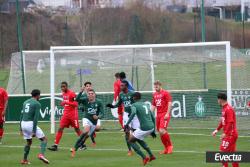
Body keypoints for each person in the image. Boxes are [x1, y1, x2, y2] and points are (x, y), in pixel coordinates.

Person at [106, 80, 140, 156]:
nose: (120, 87)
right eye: (120, 85)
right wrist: (112, 106)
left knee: (136, 132)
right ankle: (130, 150)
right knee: (127, 132)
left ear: (126, 86)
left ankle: (138, 145)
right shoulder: (121, 94)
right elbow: (119, 103)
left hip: (134, 115)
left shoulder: (132, 93)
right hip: (126, 115)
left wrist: (136, 112)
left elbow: (136, 104)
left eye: (122, 85)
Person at [48, 81, 82, 151]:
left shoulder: (72, 94)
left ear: (67, 86)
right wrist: (64, 103)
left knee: (77, 129)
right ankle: (55, 145)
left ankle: (82, 144)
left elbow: (76, 104)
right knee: (60, 128)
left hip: (73, 115)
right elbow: (67, 103)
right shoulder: (63, 94)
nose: (62, 88)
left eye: (64, 86)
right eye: (61, 87)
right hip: (66, 114)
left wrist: (66, 102)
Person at [125, 92, 156, 166]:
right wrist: (153, 130)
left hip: (144, 128)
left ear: (134, 98)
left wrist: (127, 124)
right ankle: (151, 155)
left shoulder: (134, 105)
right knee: (138, 138)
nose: (132, 98)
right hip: (151, 127)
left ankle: (144, 157)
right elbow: (153, 117)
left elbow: (133, 113)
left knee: (130, 140)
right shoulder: (145, 104)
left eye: (132, 97)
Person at [20, 89, 49, 164]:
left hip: (23, 123)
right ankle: (41, 155)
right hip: (30, 124)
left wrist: (20, 129)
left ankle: (24, 160)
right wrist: (33, 130)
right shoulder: (37, 104)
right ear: (38, 95)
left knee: (29, 142)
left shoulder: (25, 102)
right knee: (44, 139)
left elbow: (21, 115)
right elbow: (35, 118)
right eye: (39, 95)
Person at [71, 89, 104, 157]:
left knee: (86, 137)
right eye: (89, 94)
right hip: (87, 118)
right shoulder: (85, 100)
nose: (91, 95)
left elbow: (102, 114)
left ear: (94, 94)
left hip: (94, 122)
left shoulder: (99, 102)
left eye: (92, 93)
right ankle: (74, 147)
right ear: (87, 95)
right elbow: (76, 99)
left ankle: (76, 148)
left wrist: (98, 117)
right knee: (85, 130)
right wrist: (81, 91)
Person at [212, 92, 239, 167]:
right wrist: (216, 130)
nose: (217, 101)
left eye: (218, 99)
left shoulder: (228, 109)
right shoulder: (224, 108)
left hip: (230, 135)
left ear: (220, 99)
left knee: (222, 152)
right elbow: (223, 121)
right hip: (230, 134)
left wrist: (225, 133)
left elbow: (230, 122)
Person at [151, 80, 173, 154]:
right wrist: (150, 114)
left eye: (157, 85)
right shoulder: (154, 94)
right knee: (160, 132)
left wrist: (167, 113)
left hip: (164, 114)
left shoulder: (166, 93)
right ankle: (166, 149)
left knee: (162, 130)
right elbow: (153, 105)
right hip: (158, 115)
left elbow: (170, 103)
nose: (155, 87)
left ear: (160, 85)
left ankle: (170, 146)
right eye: (155, 86)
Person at [77, 81, 101, 147]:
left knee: (97, 128)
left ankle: (84, 141)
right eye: (87, 86)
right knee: (88, 130)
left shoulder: (93, 94)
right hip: (88, 116)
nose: (88, 87)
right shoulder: (83, 96)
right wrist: (81, 107)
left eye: (89, 86)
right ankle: (82, 143)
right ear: (84, 88)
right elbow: (77, 104)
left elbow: (98, 103)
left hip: (95, 115)